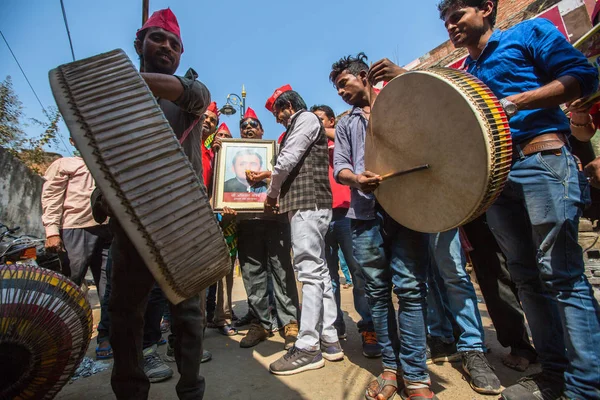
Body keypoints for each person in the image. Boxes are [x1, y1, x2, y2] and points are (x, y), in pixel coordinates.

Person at [431, 1, 600, 399]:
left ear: (487, 8)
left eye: (457, 15)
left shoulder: (527, 35)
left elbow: (583, 77)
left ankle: (586, 387)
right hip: (498, 181)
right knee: (525, 277)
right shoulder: (467, 74)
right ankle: (553, 375)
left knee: (561, 274)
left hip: (542, 160)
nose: (450, 25)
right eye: (445, 20)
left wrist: (517, 101)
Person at [97, 8, 210, 399]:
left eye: (174, 43)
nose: (166, 46)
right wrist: (101, 196)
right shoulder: (114, 107)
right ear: (138, 43)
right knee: (125, 312)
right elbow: (104, 155)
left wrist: (124, 82)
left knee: (188, 314)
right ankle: (130, 390)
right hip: (132, 221)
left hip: (183, 219)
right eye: (158, 38)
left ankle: (192, 389)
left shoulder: (190, 93)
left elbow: (199, 96)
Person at [331, 53, 437, 400]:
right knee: (377, 294)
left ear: (364, 76)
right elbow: (341, 168)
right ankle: (391, 370)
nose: (341, 94)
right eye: (337, 90)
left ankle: (417, 377)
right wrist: (357, 179)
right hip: (364, 216)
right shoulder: (346, 125)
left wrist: (404, 75)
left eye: (344, 84)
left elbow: (440, 108)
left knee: (410, 290)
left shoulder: (402, 103)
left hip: (407, 210)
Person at [262, 85, 342, 375]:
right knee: (319, 272)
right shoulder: (304, 122)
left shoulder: (305, 119)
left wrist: (271, 194)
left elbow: (285, 161)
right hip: (311, 204)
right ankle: (330, 339)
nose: (279, 118)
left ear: (289, 105)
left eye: (279, 112)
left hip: (308, 205)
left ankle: (308, 346)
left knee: (309, 271)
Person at [310, 104, 380, 358]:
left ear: (331, 121)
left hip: (347, 215)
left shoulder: (343, 136)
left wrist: (323, 130)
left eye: (320, 120)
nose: (315, 125)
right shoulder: (311, 146)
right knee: (328, 278)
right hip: (320, 216)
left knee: (359, 274)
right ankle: (334, 325)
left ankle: (368, 327)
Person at [229, 107, 300, 350]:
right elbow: (223, 191)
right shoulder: (230, 156)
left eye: (253, 125)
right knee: (252, 273)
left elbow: (289, 178)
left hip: (275, 219)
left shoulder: (277, 153)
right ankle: (260, 323)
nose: (248, 128)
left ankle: (290, 322)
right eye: (244, 126)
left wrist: (268, 177)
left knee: (281, 270)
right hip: (246, 222)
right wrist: (225, 204)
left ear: (261, 131)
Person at [42, 150, 113, 359]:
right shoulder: (66, 164)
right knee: (70, 286)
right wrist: (52, 231)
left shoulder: (107, 166)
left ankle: (105, 337)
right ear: (74, 141)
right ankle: (60, 342)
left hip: (107, 231)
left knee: (108, 287)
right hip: (75, 229)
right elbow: (51, 196)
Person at [425, 228, 501, 394]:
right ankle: (441, 339)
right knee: (426, 278)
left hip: (441, 213)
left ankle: (472, 347)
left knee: (455, 275)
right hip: (410, 214)